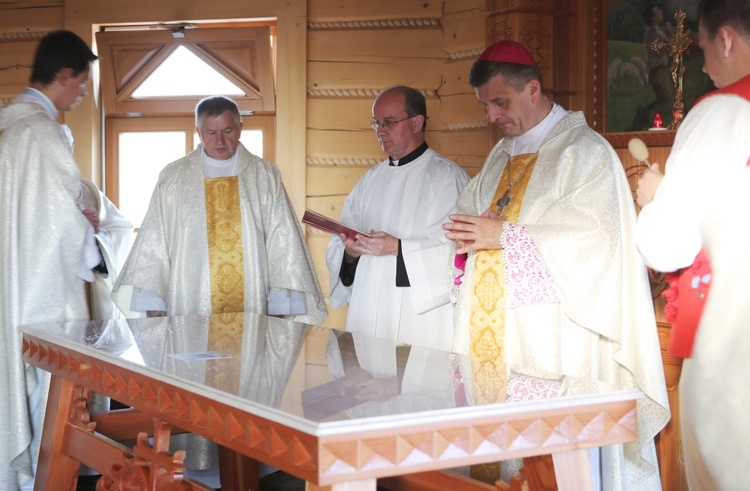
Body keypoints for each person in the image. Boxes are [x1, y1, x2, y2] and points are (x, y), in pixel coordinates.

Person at [442, 40, 669, 489]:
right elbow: (467, 218)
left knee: (556, 468)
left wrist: (502, 235)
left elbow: (595, 245)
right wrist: (469, 230)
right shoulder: (499, 157)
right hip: (498, 343)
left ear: (533, 88)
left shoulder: (585, 153)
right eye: (485, 105)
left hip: (557, 343)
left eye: (499, 102)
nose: (491, 116)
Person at [112, 95, 327, 473]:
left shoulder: (264, 176)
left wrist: (283, 308)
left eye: (228, 130)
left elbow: (282, 245)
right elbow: (155, 244)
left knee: (250, 384)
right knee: (192, 388)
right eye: (211, 132)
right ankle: (194, 463)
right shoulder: (174, 176)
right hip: (189, 306)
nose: (220, 140)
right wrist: (153, 300)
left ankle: (246, 467)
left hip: (251, 315)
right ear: (198, 132)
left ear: (241, 128)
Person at [635, 0, 750, 487]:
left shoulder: (724, 112)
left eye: (703, 46)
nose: (703, 64)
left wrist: (655, 199)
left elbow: (671, 245)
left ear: (725, 38)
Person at [0, 30, 100, 488]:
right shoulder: (41, 135)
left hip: (9, 285)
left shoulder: (8, 125)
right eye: (81, 83)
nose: (82, 93)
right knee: (43, 400)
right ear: (64, 74)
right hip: (37, 304)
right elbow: (62, 224)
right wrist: (90, 220)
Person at [325, 85, 469, 352]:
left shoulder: (447, 178)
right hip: (368, 309)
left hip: (417, 317)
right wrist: (350, 253)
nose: (380, 131)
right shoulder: (369, 181)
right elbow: (340, 244)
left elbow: (457, 254)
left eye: (388, 123)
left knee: (410, 386)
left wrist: (397, 248)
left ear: (417, 122)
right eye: (376, 123)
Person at [632, 4, 675, 130]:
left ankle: (644, 112)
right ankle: (647, 117)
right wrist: (669, 32)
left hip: (655, 71)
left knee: (663, 99)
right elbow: (671, 47)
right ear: (653, 17)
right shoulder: (656, 33)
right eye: (657, 11)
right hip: (659, 71)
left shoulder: (652, 32)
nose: (660, 11)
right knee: (667, 102)